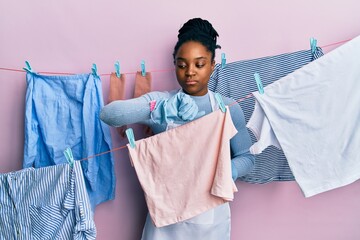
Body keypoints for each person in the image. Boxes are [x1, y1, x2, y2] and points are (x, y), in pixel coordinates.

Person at [100, 17, 255, 240]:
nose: (190, 72)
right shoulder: (162, 103)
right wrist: (160, 109)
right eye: (182, 65)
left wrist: (225, 171)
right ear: (175, 65)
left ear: (212, 65)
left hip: (210, 224)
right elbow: (109, 115)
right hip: (165, 226)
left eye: (199, 64)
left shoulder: (227, 108)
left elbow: (247, 158)